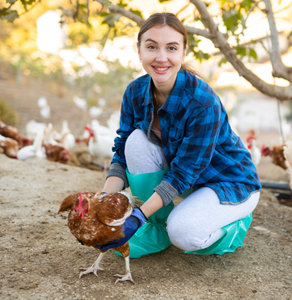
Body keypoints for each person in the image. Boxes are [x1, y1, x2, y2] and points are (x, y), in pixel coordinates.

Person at [96, 12, 261, 257]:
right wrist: (102, 200)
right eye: (151, 47)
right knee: (134, 142)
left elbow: (184, 173)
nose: (161, 58)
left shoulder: (203, 102)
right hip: (187, 181)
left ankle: (231, 227)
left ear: (183, 52)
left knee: (183, 233)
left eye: (171, 48)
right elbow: (121, 154)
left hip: (229, 182)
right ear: (139, 49)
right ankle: (155, 226)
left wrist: (137, 215)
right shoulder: (135, 92)